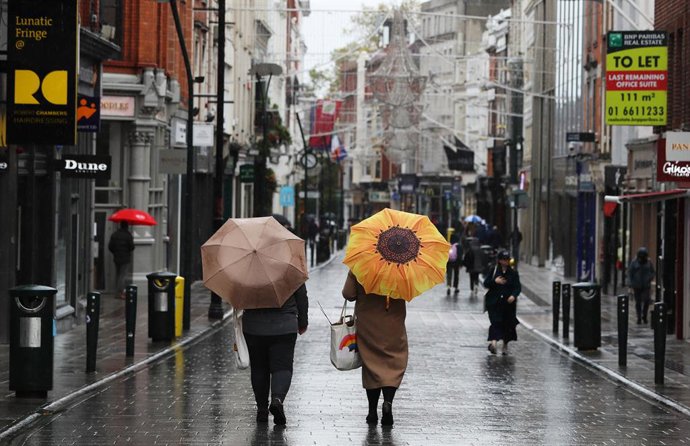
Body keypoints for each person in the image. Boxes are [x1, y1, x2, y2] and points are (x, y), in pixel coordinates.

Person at [342, 270, 407, 426]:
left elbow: (348, 294)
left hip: (368, 322)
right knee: (394, 362)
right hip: (394, 323)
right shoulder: (403, 268)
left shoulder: (361, 265)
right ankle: (388, 403)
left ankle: (372, 411)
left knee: (371, 364)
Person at [242, 283, 309, 425]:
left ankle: (261, 409)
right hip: (284, 325)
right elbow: (301, 295)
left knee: (259, 367)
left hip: (254, 326)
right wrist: (303, 321)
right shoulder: (289, 266)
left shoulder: (248, 268)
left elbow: (237, 294)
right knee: (283, 367)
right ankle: (277, 400)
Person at [483, 250, 521, 355]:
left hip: (508, 305)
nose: (506, 262)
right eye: (504, 259)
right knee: (495, 323)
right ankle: (494, 344)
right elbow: (486, 283)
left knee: (508, 325)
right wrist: (495, 282)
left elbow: (517, 287)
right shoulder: (494, 270)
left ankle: (505, 345)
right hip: (494, 303)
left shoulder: (513, 273)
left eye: (507, 259)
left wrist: (513, 295)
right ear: (499, 260)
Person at [628, 247, 655, 324]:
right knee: (638, 302)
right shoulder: (634, 262)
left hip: (646, 285)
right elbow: (630, 273)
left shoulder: (648, 262)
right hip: (637, 285)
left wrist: (650, 278)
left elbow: (653, 271)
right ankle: (639, 317)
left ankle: (644, 315)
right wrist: (630, 283)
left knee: (646, 300)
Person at [108, 221, 134, 299]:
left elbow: (110, 246)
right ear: (127, 226)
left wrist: (115, 252)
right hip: (125, 258)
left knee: (118, 274)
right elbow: (132, 247)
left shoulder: (115, 234)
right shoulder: (128, 235)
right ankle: (120, 292)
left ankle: (117, 292)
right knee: (122, 275)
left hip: (117, 257)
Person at [446, 227, 462, 296]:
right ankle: (456, 288)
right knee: (456, 275)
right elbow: (460, 255)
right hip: (456, 263)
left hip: (449, 262)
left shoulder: (448, 245)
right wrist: (460, 263)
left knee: (449, 275)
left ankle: (448, 287)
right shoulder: (458, 246)